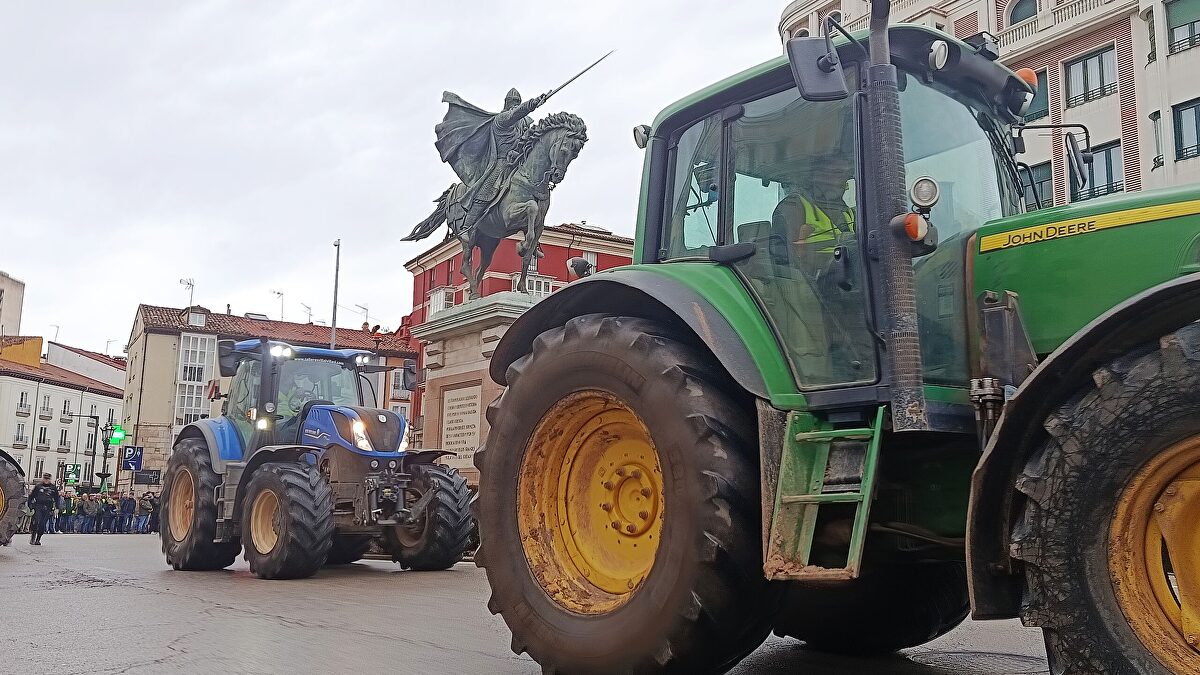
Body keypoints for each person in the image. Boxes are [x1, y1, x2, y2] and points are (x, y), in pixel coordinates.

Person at [26, 474, 60, 545]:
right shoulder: (38, 486)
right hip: (38, 505)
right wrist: (30, 505)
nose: (46, 480)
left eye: (48, 479)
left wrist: (57, 508)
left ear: (50, 479)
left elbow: (57, 498)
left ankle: (38, 539)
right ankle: (33, 537)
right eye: (45, 478)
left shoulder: (53, 487)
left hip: (48, 507)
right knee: (37, 521)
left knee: (43, 524)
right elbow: (31, 496)